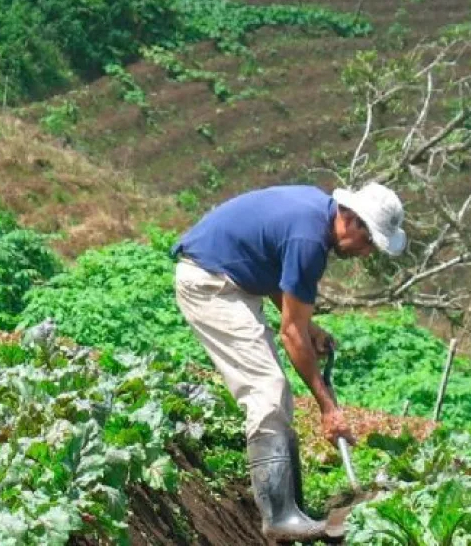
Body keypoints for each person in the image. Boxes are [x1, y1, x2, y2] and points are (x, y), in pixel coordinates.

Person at [171, 182, 406, 542]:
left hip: (233, 279)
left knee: (276, 394)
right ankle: (279, 517)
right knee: (267, 388)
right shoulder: (309, 240)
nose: (367, 253)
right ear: (352, 221)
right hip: (209, 283)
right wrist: (327, 407)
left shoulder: (314, 214)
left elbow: (273, 275)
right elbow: (291, 334)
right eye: (369, 242)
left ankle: (291, 507)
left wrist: (309, 328)